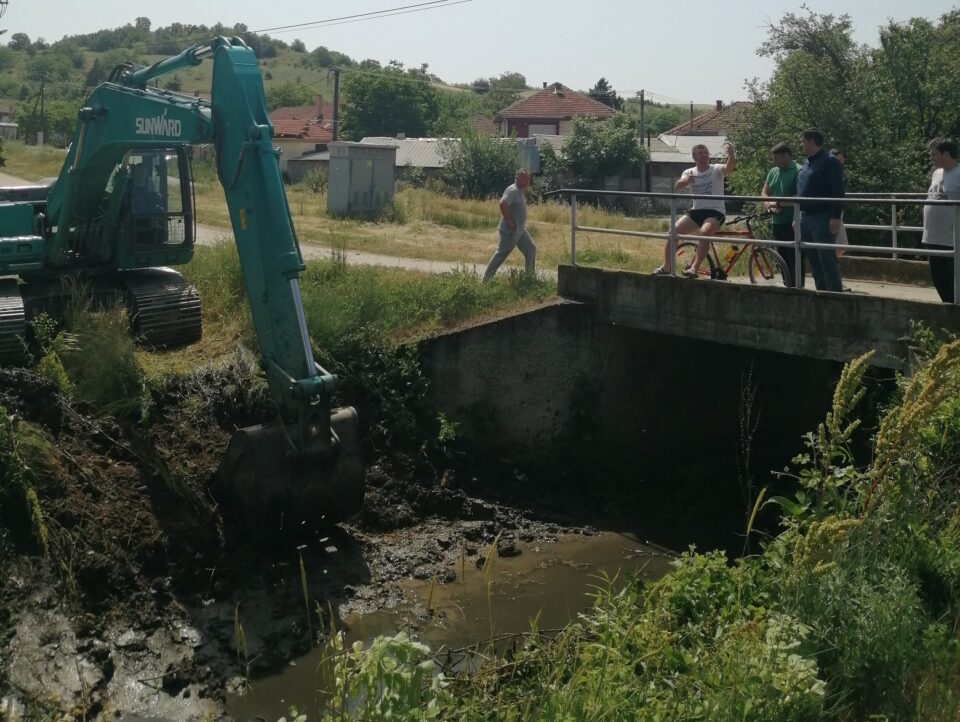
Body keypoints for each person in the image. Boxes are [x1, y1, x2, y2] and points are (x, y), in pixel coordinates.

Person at [653, 142, 736, 276]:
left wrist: (731, 155)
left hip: (715, 211)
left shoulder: (716, 169)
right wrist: (686, 181)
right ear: (694, 157)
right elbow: (678, 185)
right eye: (700, 153)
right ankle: (666, 267)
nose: (704, 155)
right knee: (672, 231)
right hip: (696, 211)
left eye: (705, 153)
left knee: (705, 231)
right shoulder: (689, 172)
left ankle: (694, 268)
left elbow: (729, 168)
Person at [797, 128, 844, 292]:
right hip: (806, 217)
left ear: (810, 141)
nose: (801, 145)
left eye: (802, 141)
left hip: (822, 217)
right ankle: (821, 292)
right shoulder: (806, 163)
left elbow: (838, 190)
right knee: (813, 259)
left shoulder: (829, 161)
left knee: (826, 258)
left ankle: (834, 294)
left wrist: (835, 216)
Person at [921, 137, 960, 303]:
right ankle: (949, 308)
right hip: (933, 236)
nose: (931, 158)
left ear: (946, 154)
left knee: (953, 277)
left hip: (951, 237)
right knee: (938, 277)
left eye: (934, 154)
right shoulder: (936, 173)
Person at [760, 142, 804, 287]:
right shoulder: (773, 171)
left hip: (793, 221)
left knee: (795, 257)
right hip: (777, 221)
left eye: (776, 158)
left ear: (786, 156)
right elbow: (764, 192)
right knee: (782, 257)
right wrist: (768, 204)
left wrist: (779, 203)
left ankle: (798, 287)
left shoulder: (799, 171)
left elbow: (800, 197)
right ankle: (787, 286)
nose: (774, 161)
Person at [482, 168, 536, 282]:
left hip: (520, 231)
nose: (528, 181)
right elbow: (503, 203)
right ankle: (485, 281)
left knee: (530, 248)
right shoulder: (512, 190)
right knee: (501, 255)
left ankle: (529, 279)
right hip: (510, 231)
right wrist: (508, 220)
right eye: (526, 178)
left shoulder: (520, 191)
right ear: (518, 178)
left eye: (528, 178)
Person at [829, 148, 849, 259]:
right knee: (838, 245)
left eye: (842, 162)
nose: (840, 164)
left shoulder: (837, 171)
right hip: (831, 214)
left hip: (837, 214)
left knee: (841, 245)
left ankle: (833, 263)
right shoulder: (829, 169)